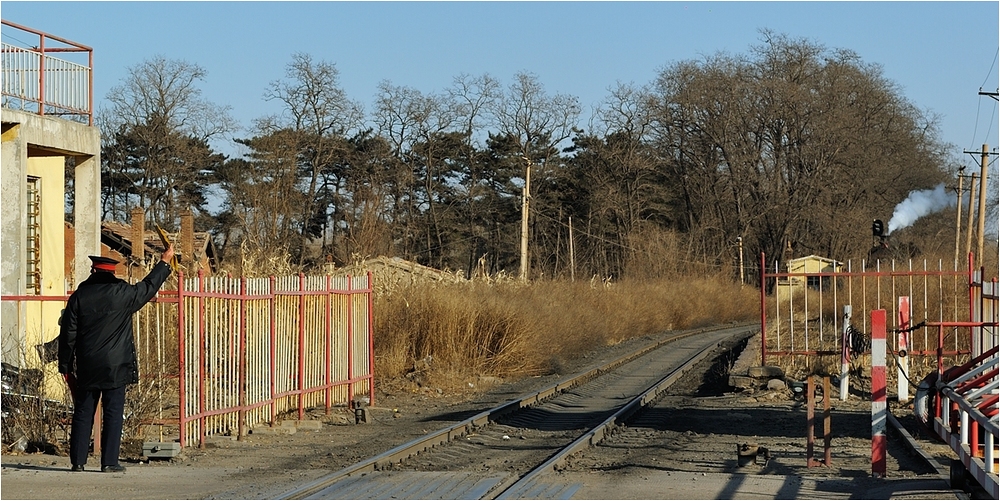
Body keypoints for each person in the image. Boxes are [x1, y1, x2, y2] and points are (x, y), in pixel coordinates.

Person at [58, 246, 174, 473]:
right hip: (116, 365)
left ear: (93, 271)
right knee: (113, 412)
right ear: (112, 273)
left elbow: (68, 334)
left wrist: (65, 365)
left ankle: (78, 462)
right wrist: (164, 262)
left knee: (83, 412)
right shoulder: (124, 294)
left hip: (87, 365)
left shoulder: (79, 297)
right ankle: (109, 462)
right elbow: (149, 287)